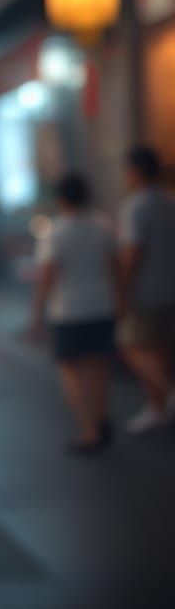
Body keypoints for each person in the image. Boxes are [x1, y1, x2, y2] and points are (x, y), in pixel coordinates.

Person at [27, 174, 118, 454]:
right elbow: (114, 267)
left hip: (69, 310)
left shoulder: (56, 233)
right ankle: (101, 418)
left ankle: (89, 430)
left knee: (70, 370)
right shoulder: (103, 226)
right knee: (98, 366)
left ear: (61, 199)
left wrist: (36, 316)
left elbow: (47, 278)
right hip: (102, 305)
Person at [117, 146, 175, 434]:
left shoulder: (136, 206)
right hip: (169, 286)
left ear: (136, 172)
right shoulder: (169, 200)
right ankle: (157, 406)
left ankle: (166, 394)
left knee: (132, 344)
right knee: (160, 348)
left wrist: (122, 289)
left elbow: (133, 252)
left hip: (145, 291)